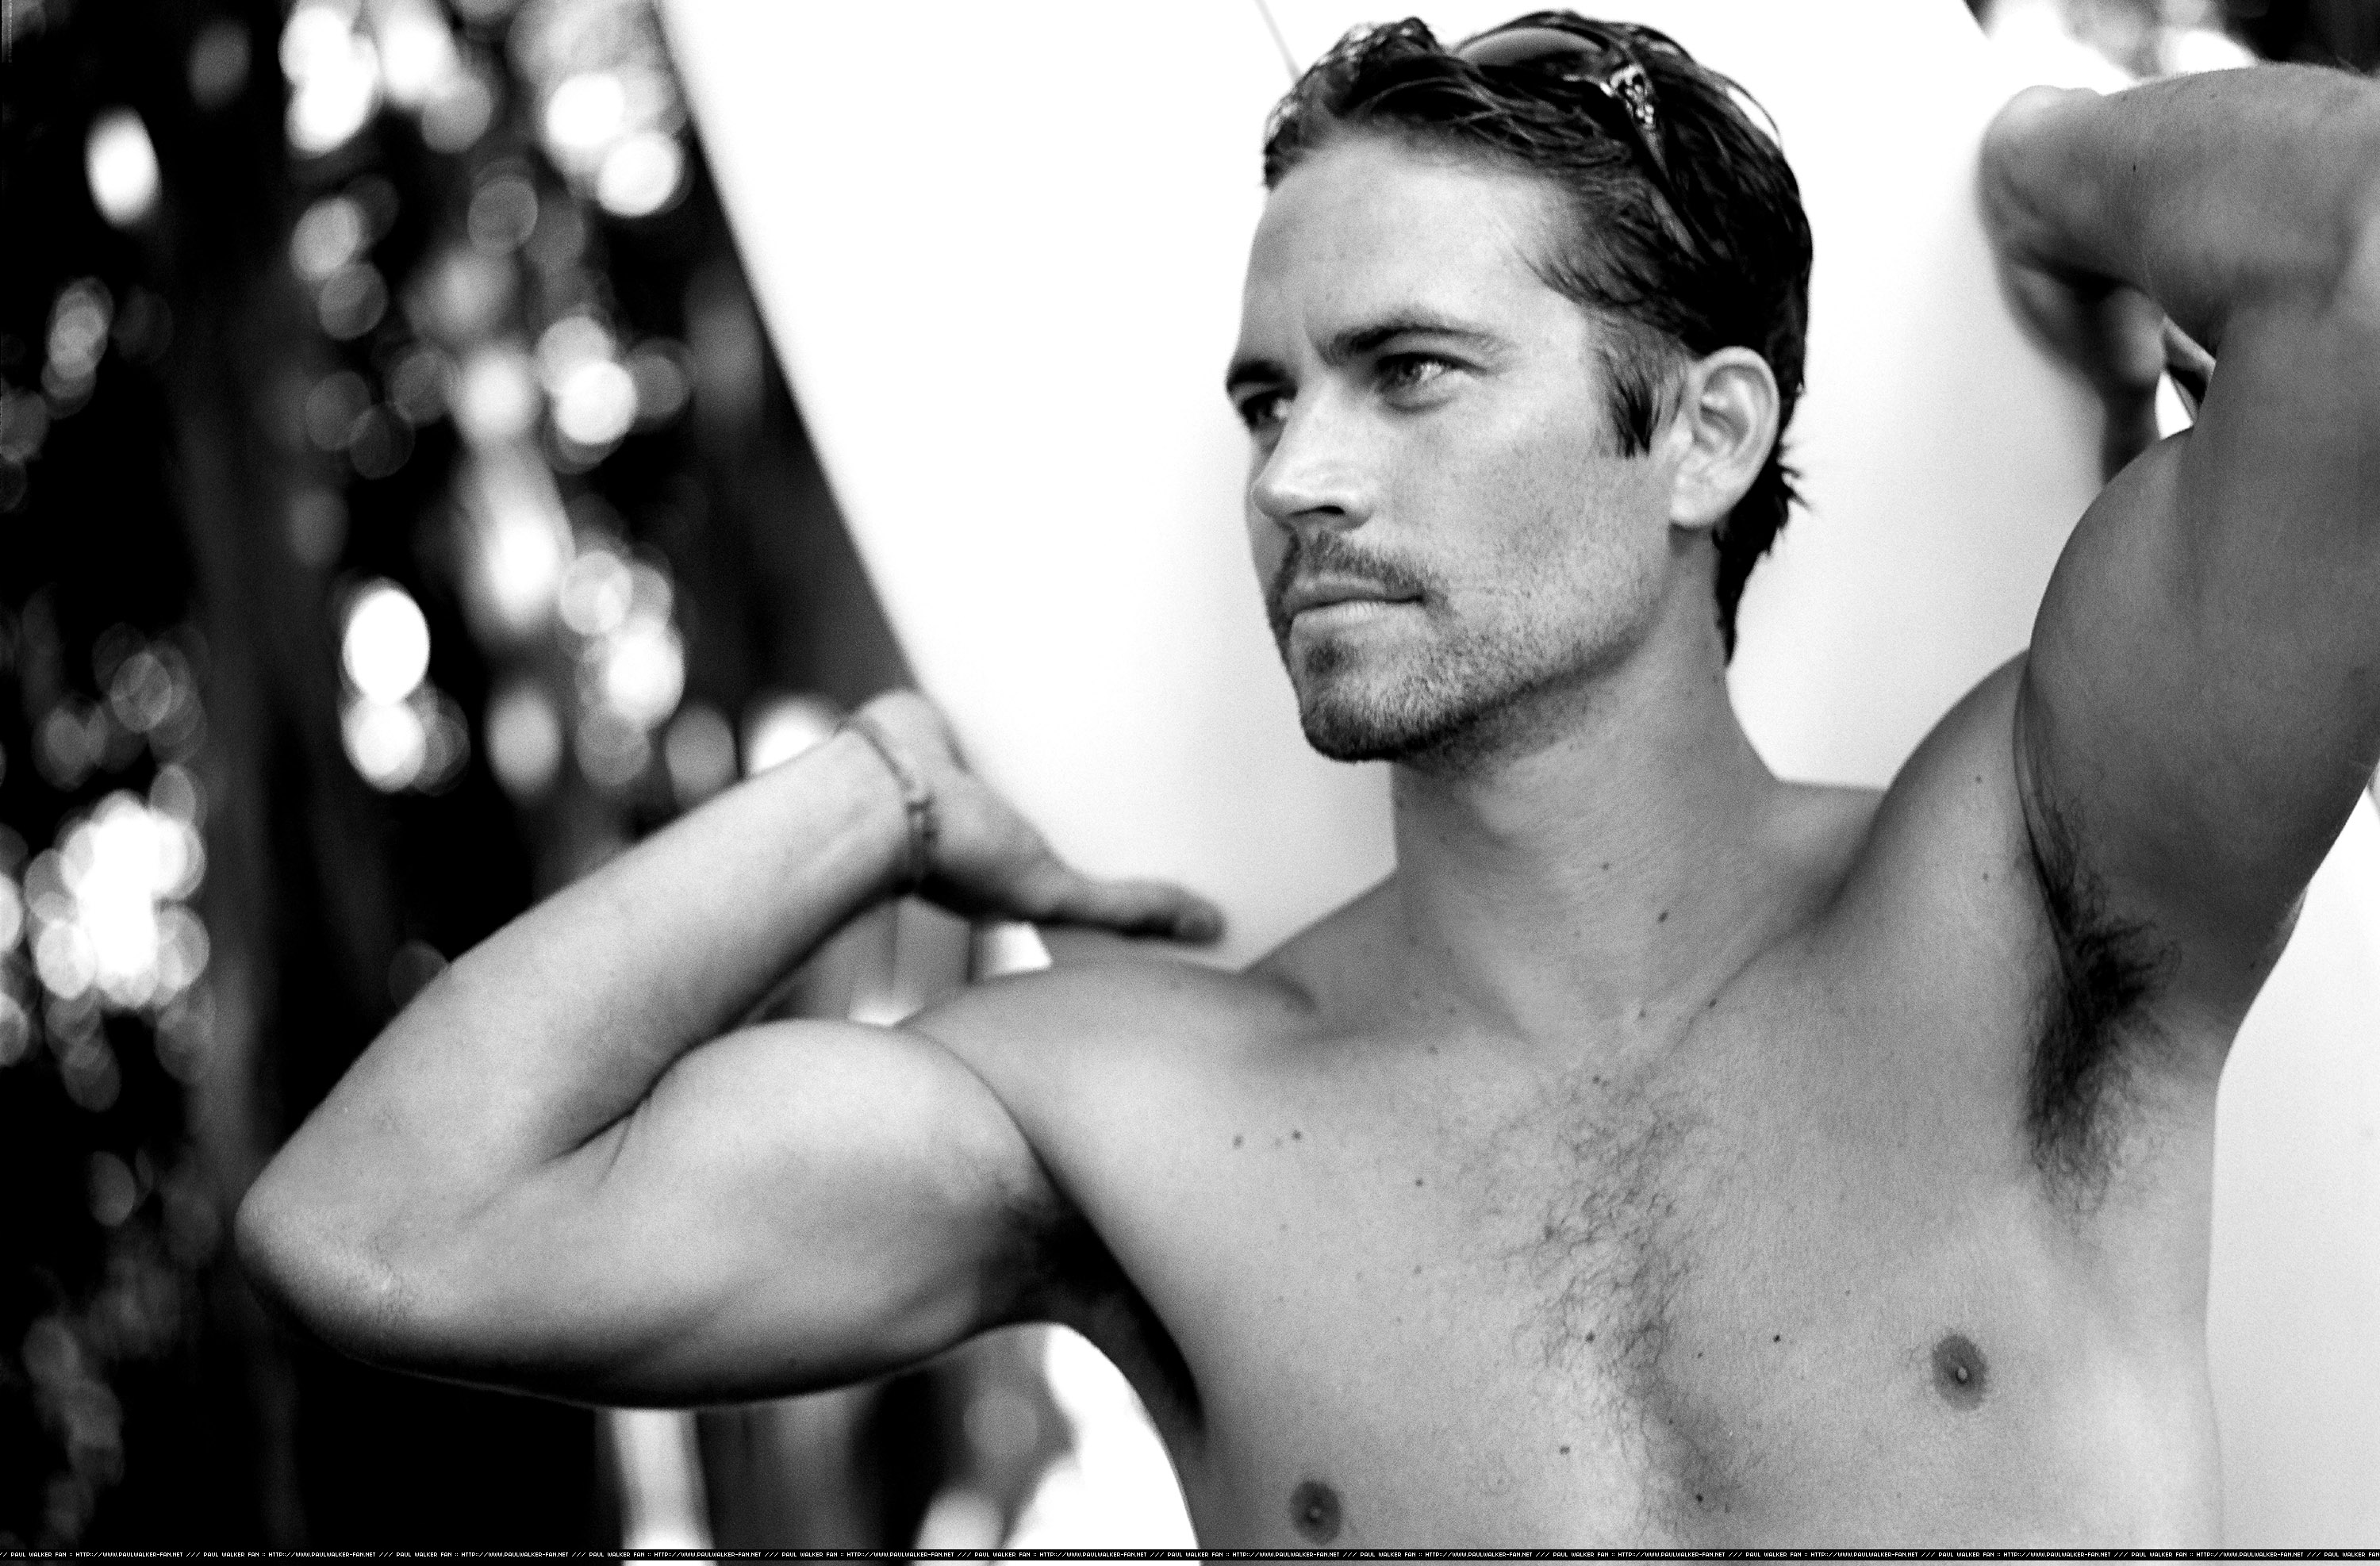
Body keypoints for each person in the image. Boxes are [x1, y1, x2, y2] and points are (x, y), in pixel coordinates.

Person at [236, 11, 2380, 1547]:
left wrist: (2022, 163)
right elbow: (387, 1228)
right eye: (1268, 401)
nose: (1295, 479)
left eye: (1409, 374)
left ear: (1705, 436)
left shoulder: (2027, 897)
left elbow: (2363, 253)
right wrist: (875, 796)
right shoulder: (1143, 1121)